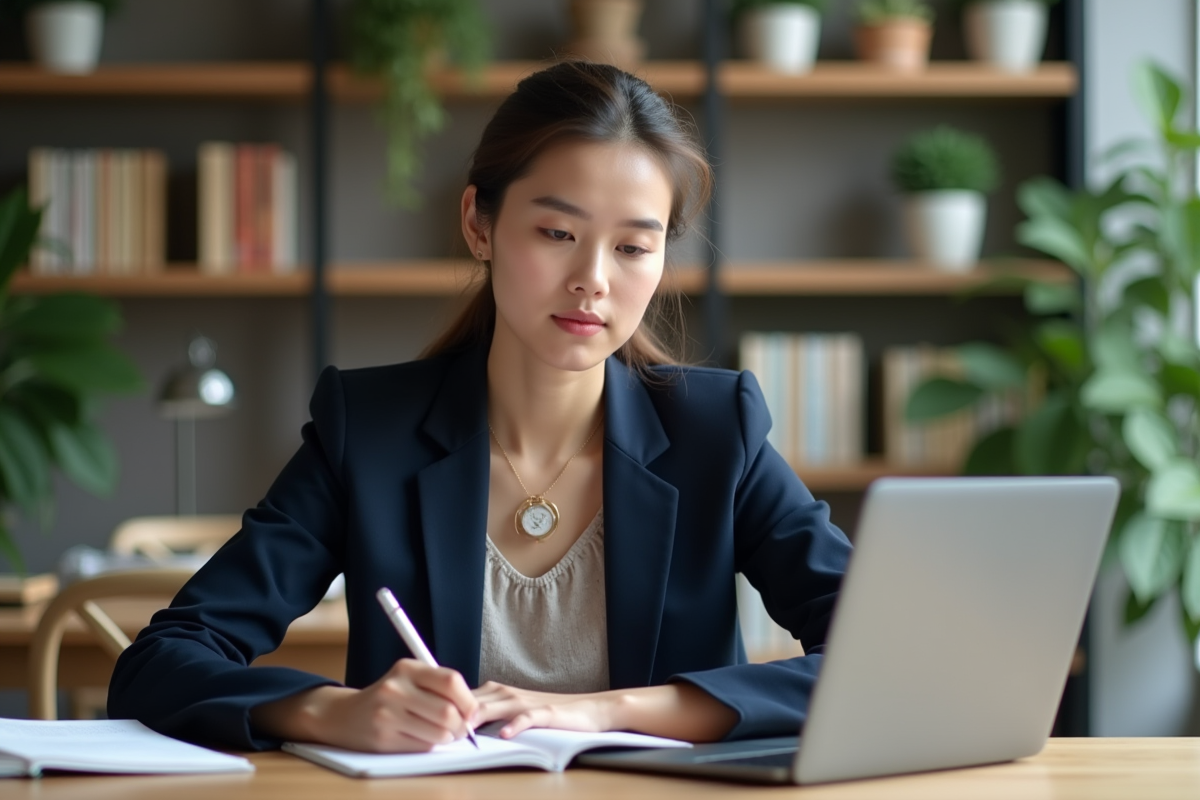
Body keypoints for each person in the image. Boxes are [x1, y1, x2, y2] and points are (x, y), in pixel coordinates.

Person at [108, 60, 853, 753]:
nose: (592, 279)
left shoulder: (716, 432)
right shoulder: (369, 432)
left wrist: (609, 711)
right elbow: (163, 660)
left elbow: (881, 656)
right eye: (557, 233)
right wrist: (332, 711)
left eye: (632, 247)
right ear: (479, 224)